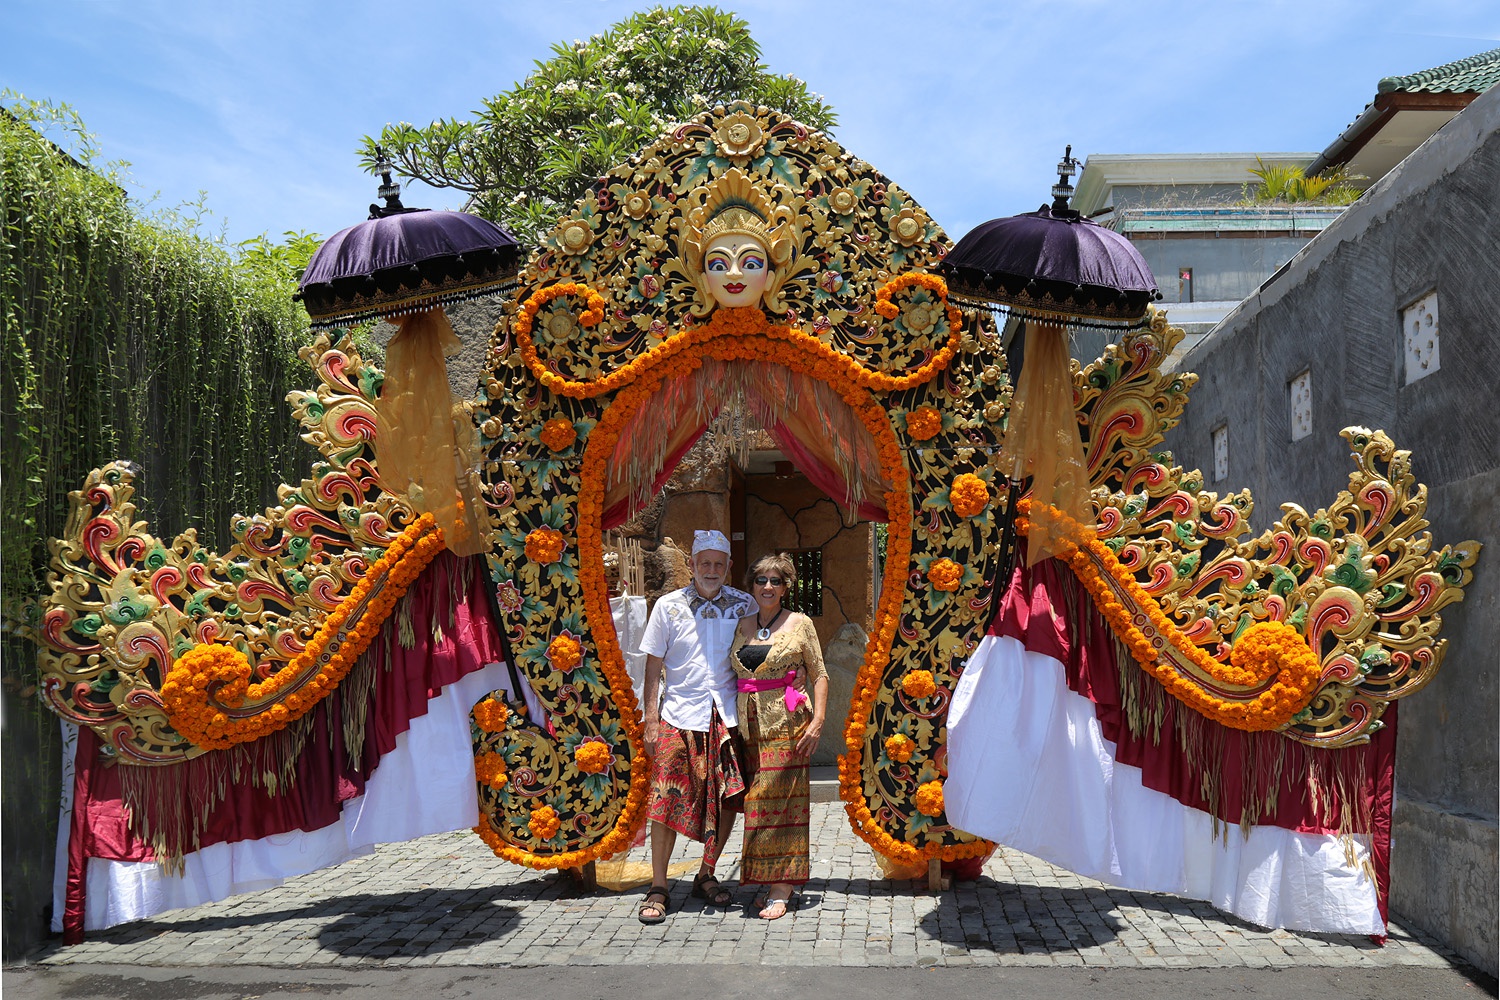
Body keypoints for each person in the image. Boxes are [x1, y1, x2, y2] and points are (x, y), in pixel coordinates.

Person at [637, 529, 756, 924]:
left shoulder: (744, 605)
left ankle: (706, 874)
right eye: (704, 563)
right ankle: (658, 885)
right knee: (664, 800)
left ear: (728, 568)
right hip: (678, 715)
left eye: (718, 565)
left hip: (726, 715)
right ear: (691, 564)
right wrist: (650, 719)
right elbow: (652, 666)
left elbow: (758, 655)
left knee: (726, 800)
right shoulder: (667, 607)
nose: (711, 570)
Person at [730, 552, 828, 920]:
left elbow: (819, 673)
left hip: (788, 726)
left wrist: (818, 720)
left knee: (775, 803)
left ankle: (782, 885)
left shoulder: (800, 623)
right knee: (761, 804)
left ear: (787, 587)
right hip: (749, 728)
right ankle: (770, 878)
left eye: (776, 581)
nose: (767, 587)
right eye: (761, 581)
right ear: (751, 586)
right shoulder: (742, 625)